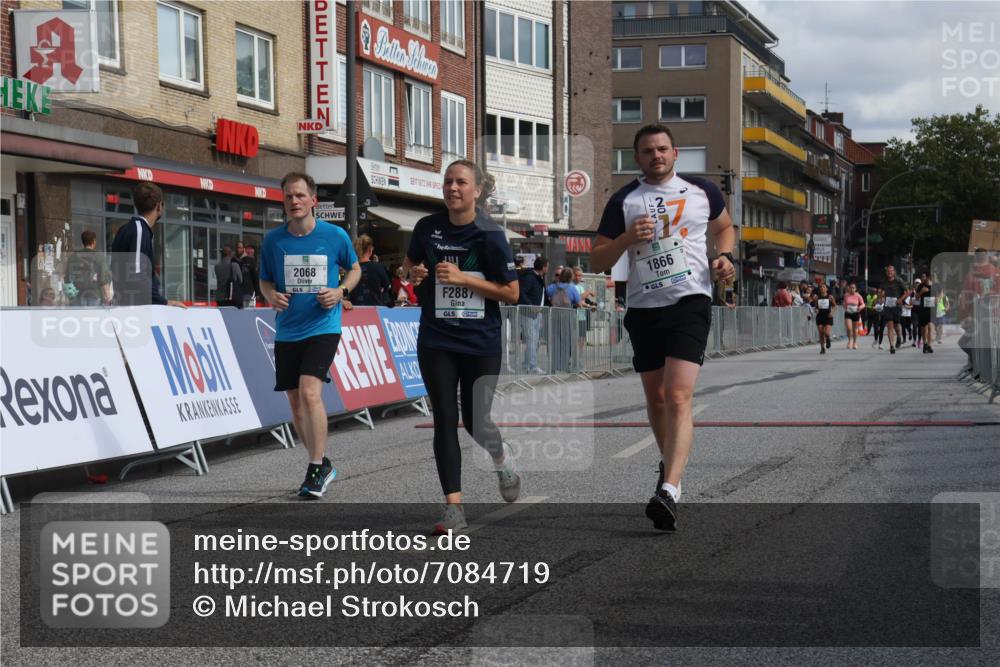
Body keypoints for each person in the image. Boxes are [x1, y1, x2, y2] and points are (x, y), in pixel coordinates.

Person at [590, 123, 736, 532]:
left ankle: (670, 489)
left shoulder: (702, 191)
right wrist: (624, 239)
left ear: (675, 154)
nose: (656, 155)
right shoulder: (624, 200)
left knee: (677, 394)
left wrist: (725, 257)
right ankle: (669, 464)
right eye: (647, 150)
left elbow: (725, 228)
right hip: (644, 305)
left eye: (662, 149)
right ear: (637, 158)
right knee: (655, 399)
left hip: (691, 300)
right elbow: (597, 260)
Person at [402, 160, 521, 534]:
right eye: (448, 182)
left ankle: (500, 458)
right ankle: (453, 506)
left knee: (475, 420)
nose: (453, 188)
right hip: (437, 336)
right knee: (443, 418)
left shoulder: (490, 234)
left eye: (461, 183)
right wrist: (413, 274)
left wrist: (463, 279)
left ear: (478, 190)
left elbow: (512, 293)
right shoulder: (427, 227)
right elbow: (407, 267)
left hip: (479, 340)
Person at [258, 172, 361, 499]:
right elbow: (265, 280)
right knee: (294, 401)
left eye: (300, 196)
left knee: (310, 392)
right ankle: (320, 462)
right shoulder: (274, 240)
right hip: (288, 328)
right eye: (289, 196)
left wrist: (340, 290)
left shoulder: (334, 235)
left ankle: (316, 466)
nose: (295, 202)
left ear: (313, 200)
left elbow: (356, 268)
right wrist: (271, 295)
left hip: (323, 326)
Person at [111, 182, 185, 307]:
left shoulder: (127, 229)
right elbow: (136, 274)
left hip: (127, 306)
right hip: (137, 309)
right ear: (159, 206)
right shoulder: (139, 230)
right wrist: (164, 302)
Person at [518, 256, 549, 374]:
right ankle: (532, 366)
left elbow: (542, 296)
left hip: (537, 314)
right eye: (547, 266)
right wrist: (531, 305)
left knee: (535, 340)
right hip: (528, 314)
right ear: (543, 267)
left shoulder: (539, 278)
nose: (548, 268)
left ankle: (527, 364)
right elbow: (521, 293)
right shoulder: (530, 278)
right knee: (532, 339)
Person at [546, 267, 580, 373]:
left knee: (554, 341)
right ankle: (565, 365)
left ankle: (554, 365)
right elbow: (578, 302)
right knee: (567, 342)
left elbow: (546, 295)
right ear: (570, 277)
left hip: (554, 318)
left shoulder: (552, 287)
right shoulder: (572, 288)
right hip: (567, 318)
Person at [65, 230, 113, 306]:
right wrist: (108, 298)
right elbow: (104, 279)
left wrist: (69, 297)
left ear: (83, 242)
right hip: (94, 295)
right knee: (93, 317)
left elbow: (67, 278)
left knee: (78, 317)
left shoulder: (73, 257)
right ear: (94, 241)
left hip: (77, 295)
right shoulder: (99, 257)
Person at [348, 234, 391, 306]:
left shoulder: (350, 269)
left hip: (355, 309)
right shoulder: (377, 267)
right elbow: (387, 285)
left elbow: (344, 289)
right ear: (369, 249)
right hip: (374, 309)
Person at [880, 265, 907, 355]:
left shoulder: (899, 280)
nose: (889, 273)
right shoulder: (884, 281)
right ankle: (892, 346)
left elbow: (907, 292)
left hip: (896, 306)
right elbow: (881, 291)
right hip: (888, 306)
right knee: (890, 326)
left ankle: (899, 336)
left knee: (896, 325)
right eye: (888, 271)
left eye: (891, 271)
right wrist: (882, 297)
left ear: (894, 272)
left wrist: (900, 299)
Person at [811, 282, 836, 354]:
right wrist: (816, 310)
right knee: (821, 333)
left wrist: (832, 312)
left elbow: (834, 306)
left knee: (827, 332)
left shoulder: (830, 297)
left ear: (827, 289)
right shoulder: (817, 297)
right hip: (820, 316)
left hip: (828, 316)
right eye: (821, 287)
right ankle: (822, 348)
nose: (822, 288)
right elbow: (816, 307)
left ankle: (828, 339)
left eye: (823, 287)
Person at [842, 282, 865, 350]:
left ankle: (855, 343)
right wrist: (845, 307)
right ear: (848, 288)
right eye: (851, 288)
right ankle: (850, 341)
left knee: (855, 329)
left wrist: (859, 308)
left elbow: (863, 304)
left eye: (853, 288)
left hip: (855, 313)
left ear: (855, 289)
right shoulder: (846, 295)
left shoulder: (858, 295)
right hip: (848, 313)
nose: (852, 289)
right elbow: (844, 303)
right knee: (849, 328)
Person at [235, 241, 259, 308]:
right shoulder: (235, 261)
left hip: (247, 292)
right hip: (237, 293)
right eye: (237, 248)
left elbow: (255, 277)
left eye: (240, 248)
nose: (238, 249)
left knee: (246, 311)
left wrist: (257, 292)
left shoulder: (250, 261)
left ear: (244, 249)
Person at [916, 271, 935, 353]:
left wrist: (938, 298)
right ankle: (925, 343)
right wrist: (922, 292)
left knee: (930, 327)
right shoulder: (921, 286)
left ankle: (929, 345)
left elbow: (941, 294)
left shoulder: (936, 286)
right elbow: (916, 297)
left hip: (932, 309)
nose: (929, 278)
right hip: (923, 309)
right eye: (928, 277)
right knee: (924, 328)